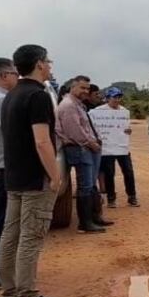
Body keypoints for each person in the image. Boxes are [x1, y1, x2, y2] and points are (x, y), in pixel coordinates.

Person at [0, 44, 68, 297]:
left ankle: (10, 295)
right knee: (31, 238)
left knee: (10, 236)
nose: (50, 66)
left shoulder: (11, 95)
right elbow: (42, 141)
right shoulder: (38, 96)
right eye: (48, 61)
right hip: (35, 179)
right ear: (39, 63)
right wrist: (55, 175)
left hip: (14, 177)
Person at [56, 75, 112, 233]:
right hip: (80, 148)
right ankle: (85, 224)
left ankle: (94, 218)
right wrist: (91, 143)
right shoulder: (68, 105)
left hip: (86, 148)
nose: (85, 91)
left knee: (91, 184)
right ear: (72, 87)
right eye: (82, 87)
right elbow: (75, 131)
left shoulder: (77, 104)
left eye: (87, 88)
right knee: (85, 185)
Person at [0, 58, 19, 291]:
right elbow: (12, 136)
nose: (17, 78)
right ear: (4, 76)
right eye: (14, 74)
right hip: (2, 168)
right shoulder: (2, 101)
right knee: (2, 222)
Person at [95, 87, 138, 208]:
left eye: (119, 97)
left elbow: (126, 128)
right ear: (108, 98)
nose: (117, 100)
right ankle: (111, 198)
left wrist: (128, 131)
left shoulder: (124, 111)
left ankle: (132, 197)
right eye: (114, 97)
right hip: (108, 148)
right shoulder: (99, 112)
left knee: (128, 172)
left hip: (122, 147)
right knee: (109, 173)